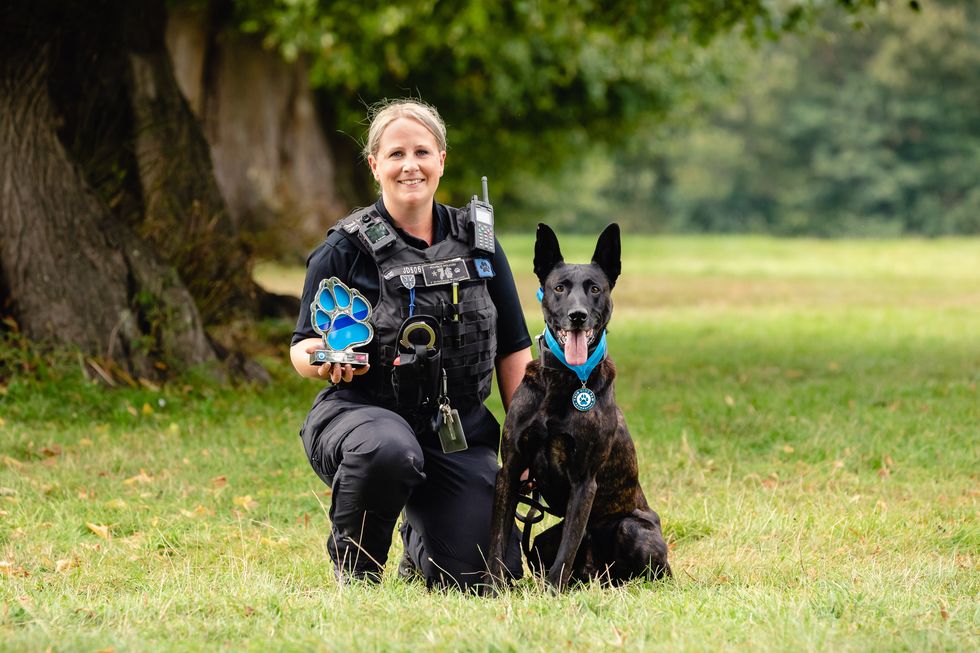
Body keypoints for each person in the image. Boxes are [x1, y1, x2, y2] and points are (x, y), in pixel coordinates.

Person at [289, 99, 531, 589]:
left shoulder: (479, 245)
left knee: (487, 579)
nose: (410, 165)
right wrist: (324, 360)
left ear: (442, 159)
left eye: (422, 151)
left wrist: (524, 444)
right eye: (396, 154)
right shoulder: (343, 250)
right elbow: (300, 346)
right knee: (390, 451)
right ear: (374, 164)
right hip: (362, 417)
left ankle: (421, 546)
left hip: (454, 428)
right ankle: (356, 575)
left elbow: (514, 350)